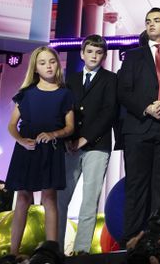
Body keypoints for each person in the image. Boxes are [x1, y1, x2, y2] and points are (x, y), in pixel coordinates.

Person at [119, 8, 160, 243]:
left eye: (157, 20)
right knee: (136, 186)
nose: (151, 24)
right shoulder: (132, 56)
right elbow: (123, 91)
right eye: (148, 21)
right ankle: (133, 242)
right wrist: (146, 107)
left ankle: (156, 242)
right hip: (139, 126)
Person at [5, 46, 75, 257]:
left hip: (50, 151)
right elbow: (11, 125)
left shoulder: (65, 94)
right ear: (35, 68)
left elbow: (70, 127)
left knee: (49, 198)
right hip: (27, 150)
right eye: (43, 63)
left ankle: (51, 252)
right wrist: (21, 141)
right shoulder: (25, 94)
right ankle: (12, 253)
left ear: (58, 64)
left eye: (52, 61)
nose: (48, 66)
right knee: (23, 199)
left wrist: (54, 134)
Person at [57, 34, 118, 255]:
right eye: (90, 51)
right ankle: (55, 247)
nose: (94, 55)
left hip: (97, 145)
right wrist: (66, 139)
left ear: (104, 56)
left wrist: (84, 138)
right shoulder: (70, 80)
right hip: (70, 145)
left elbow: (109, 113)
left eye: (99, 52)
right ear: (82, 54)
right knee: (61, 198)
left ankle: (82, 250)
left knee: (89, 199)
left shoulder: (111, 79)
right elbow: (63, 111)